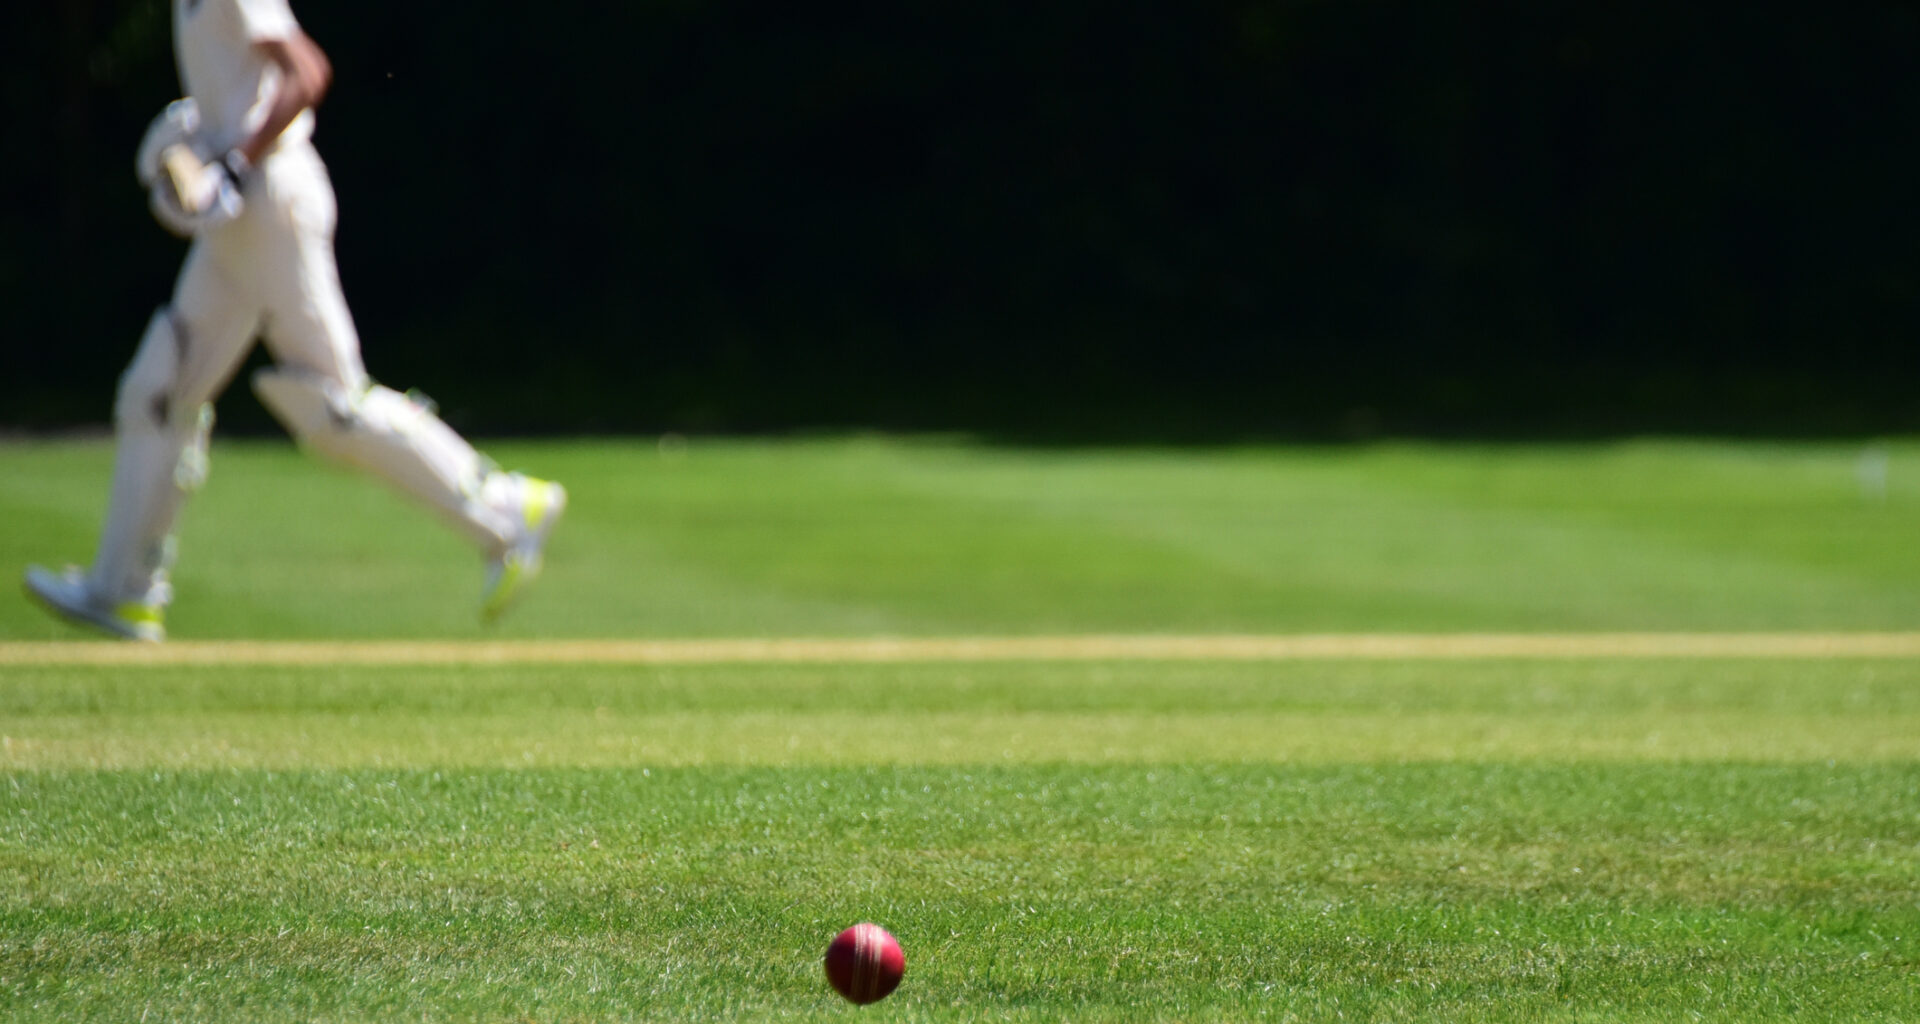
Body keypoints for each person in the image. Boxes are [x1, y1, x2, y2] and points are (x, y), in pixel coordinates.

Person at [24, 0, 564, 642]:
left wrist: (236, 161)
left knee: (335, 406)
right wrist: (199, 142)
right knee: (158, 392)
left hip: (274, 205)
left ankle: (506, 510)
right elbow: (236, 97)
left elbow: (306, 71)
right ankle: (124, 591)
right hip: (237, 224)